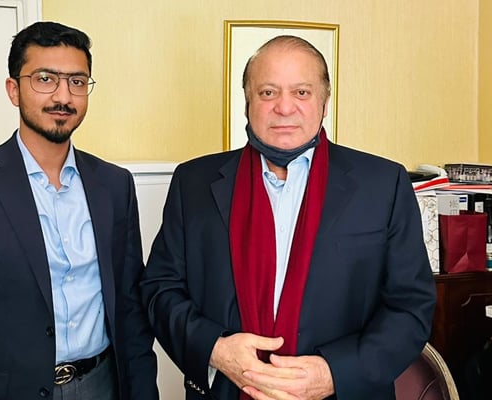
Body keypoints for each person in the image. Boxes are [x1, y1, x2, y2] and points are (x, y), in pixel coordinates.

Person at [140, 35, 436, 399]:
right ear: (247, 102)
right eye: (268, 92)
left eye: (301, 92)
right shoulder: (193, 183)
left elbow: (410, 308)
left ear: (324, 102)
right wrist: (215, 349)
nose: (284, 107)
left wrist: (334, 373)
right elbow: (160, 289)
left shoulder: (384, 184)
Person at [0, 21, 158, 400]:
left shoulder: (114, 185)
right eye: (45, 79)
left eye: (77, 81)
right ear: (14, 90)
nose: (63, 96)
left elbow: (130, 311)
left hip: (102, 384)